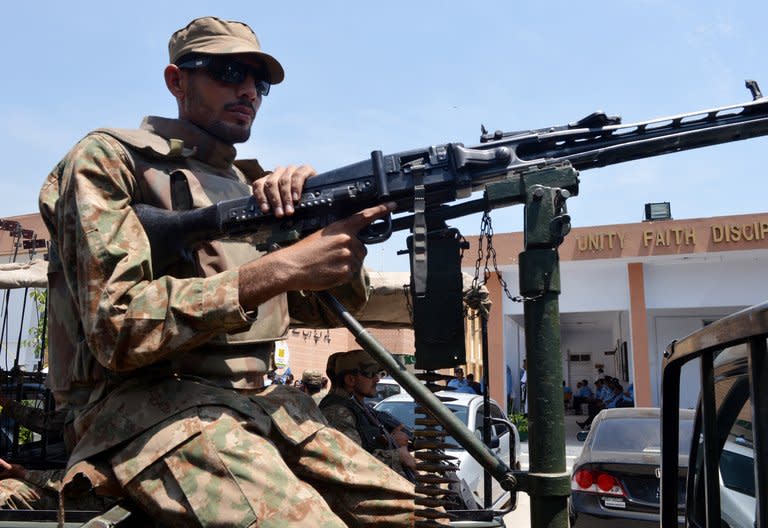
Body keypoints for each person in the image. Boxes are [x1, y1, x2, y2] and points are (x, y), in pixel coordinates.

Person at [40, 16, 418, 527]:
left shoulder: (247, 183)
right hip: (148, 411)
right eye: (227, 73)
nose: (248, 92)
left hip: (262, 406)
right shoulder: (109, 160)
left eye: (258, 83)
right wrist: (281, 266)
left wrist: (329, 228)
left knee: (422, 515)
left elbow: (318, 304)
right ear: (177, 81)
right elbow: (118, 329)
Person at [319, 350, 417, 482]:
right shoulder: (337, 412)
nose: (377, 379)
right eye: (371, 374)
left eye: (378, 374)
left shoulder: (359, 406)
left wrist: (391, 441)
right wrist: (397, 454)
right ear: (350, 379)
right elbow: (351, 461)